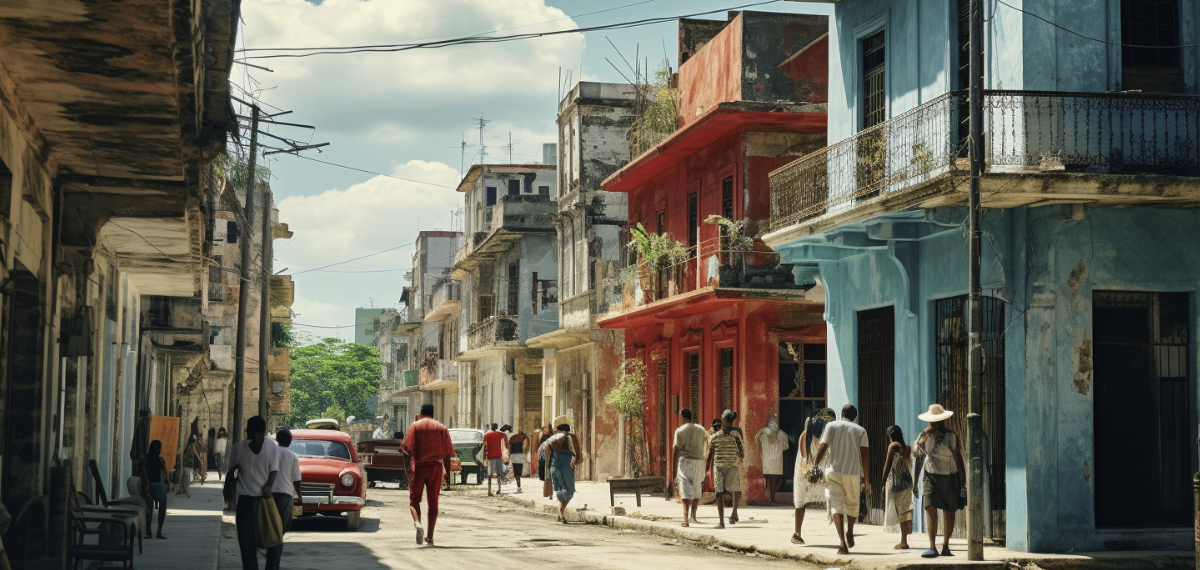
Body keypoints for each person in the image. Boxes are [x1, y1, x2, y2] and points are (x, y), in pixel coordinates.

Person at [812, 404, 869, 555]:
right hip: (852, 472)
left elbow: (823, 447)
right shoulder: (861, 431)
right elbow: (865, 456)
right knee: (851, 504)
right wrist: (867, 479)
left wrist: (815, 463)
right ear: (854, 416)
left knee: (836, 506)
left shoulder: (831, 426)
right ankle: (849, 531)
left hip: (833, 472)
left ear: (841, 413)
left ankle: (842, 543)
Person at [226, 415, 280, 570]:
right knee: (249, 545)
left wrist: (269, 486)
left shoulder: (269, 447)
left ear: (255, 433)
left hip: (260, 502)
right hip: (248, 501)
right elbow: (232, 471)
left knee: (269, 539)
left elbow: (273, 469)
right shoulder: (241, 447)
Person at [913, 404, 966, 559]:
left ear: (942, 421)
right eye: (932, 422)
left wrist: (963, 483)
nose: (933, 425)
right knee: (930, 507)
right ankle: (931, 546)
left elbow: (958, 460)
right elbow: (917, 454)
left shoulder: (951, 436)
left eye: (936, 422)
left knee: (949, 511)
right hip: (930, 475)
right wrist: (914, 483)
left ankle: (946, 545)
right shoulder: (924, 435)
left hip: (949, 476)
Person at [401, 404, 454, 546]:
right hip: (436, 467)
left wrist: (408, 470)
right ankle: (430, 537)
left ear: (421, 414)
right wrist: (447, 474)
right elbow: (448, 455)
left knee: (414, 501)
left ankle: (417, 523)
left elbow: (406, 450)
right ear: (433, 413)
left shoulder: (415, 426)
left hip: (419, 467)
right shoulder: (442, 428)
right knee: (433, 502)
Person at [791, 408, 834, 544]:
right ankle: (845, 529)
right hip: (814, 470)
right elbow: (822, 453)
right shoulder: (820, 436)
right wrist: (816, 466)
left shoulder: (805, 435)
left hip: (805, 471)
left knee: (800, 503)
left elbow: (804, 456)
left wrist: (810, 469)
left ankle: (797, 532)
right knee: (836, 497)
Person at [269, 429, 303, 570]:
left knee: (272, 530)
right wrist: (300, 497)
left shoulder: (270, 454)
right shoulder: (292, 456)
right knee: (281, 531)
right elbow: (297, 480)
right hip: (285, 495)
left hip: (269, 495)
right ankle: (273, 564)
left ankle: (272, 562)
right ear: (289, 441)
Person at [538, 416, 581, 523]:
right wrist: (575, 462)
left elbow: (547, 454)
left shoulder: (552, 440)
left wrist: (548, 466)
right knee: (569, 490)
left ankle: (560, 512)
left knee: (560, 489)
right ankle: (561, 511)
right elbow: (575, 453)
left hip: (555, 466)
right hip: (566, 466)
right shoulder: (570, 438)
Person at [705, 410, 744, 528]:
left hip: (719, 467)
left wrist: (706, 468)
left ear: (724, 420)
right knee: (735, 489)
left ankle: (722, 522)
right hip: (732, 465)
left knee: (719, 493)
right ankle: (734, 513)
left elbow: (710, 454)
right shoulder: (736, 435)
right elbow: (741, 451)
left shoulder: (714, 437)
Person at [670, 408, 706, 527]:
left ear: (682, 417)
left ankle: (685, 518)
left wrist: (674, 466)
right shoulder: (701, 429)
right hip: (699, 461)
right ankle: (693, 517)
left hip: (685, 461)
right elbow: (707, 443)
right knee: (697, 488)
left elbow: (676, 449)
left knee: (685, 488)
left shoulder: (679, 431)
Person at [881, 424, 915, 550]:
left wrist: (883, 482)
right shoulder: (907, 448)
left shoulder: (893, 446)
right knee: (905, 510)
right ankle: (904, 539)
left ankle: (903, 541)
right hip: (906, 483)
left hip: (895, 483)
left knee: (899, 511)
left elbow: (887, 464)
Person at [755, 412, 790, 504]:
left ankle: (767, 498)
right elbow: (786, 447)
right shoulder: (782, 434)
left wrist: (760, 452)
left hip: (766, 458)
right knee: (773, 479)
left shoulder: (762, 433)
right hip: (776, 459)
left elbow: (756, 440)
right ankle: (772, 497)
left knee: (767, 478)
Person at [140, 440, 170, 539]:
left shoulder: (145, 459)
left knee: (149, 509)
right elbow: (165, 474)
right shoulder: (160, 460)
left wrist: (146, 485)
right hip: (157, 486)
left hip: (148, 486)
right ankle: (159, 531)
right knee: (162, 506)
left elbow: (143, 472)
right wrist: (168, 485)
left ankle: (149, 531)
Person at [483, 423, 509, 496]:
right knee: (499, 473)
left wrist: (484, 457)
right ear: (497, 427)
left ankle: (489, 490)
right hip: (498, 456)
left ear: (491, 427)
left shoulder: (486, 435)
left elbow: (484, 446)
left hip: (490, 456)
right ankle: (499, 489)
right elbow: (507, 444)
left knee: (489, 474)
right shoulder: (501, 435)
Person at [507, 426, 528, 493]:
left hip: (514, 455)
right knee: (519, 471)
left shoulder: (512, 438)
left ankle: (518, 485)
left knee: (516, 472)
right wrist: (525, 452)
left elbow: (509, 447)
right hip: (520, 455)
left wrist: (508, 456)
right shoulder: (522, 437)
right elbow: (527, 443)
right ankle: (519, 486)